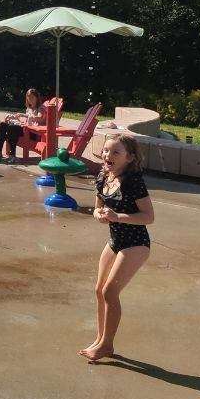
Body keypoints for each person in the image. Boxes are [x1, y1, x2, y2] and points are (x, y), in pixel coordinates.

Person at [80, 134, 154, 362]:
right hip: (115, 240)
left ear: (129, 158)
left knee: (110, 292)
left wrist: (117, 216)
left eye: (115, 152)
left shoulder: (133, 182)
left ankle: (107, 345)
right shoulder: (103, 176)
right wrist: (98, 214)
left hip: (136, 243)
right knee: (99, 290)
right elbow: (97, 207)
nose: (107, 155)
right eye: (105, 150)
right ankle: (100, 339)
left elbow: (148, 217)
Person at [0, 88, 45, 161]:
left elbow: (40, 118)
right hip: (27, 130)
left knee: (13, 128)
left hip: (34, 133)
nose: (30, 99)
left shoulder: (41, 108)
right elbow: (27, 122)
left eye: (32, 97)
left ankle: (12, 155)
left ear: (37, 98)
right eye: (28, 97)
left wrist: (23, 115)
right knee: (3, 125)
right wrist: (15, 118)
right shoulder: (29, 108)